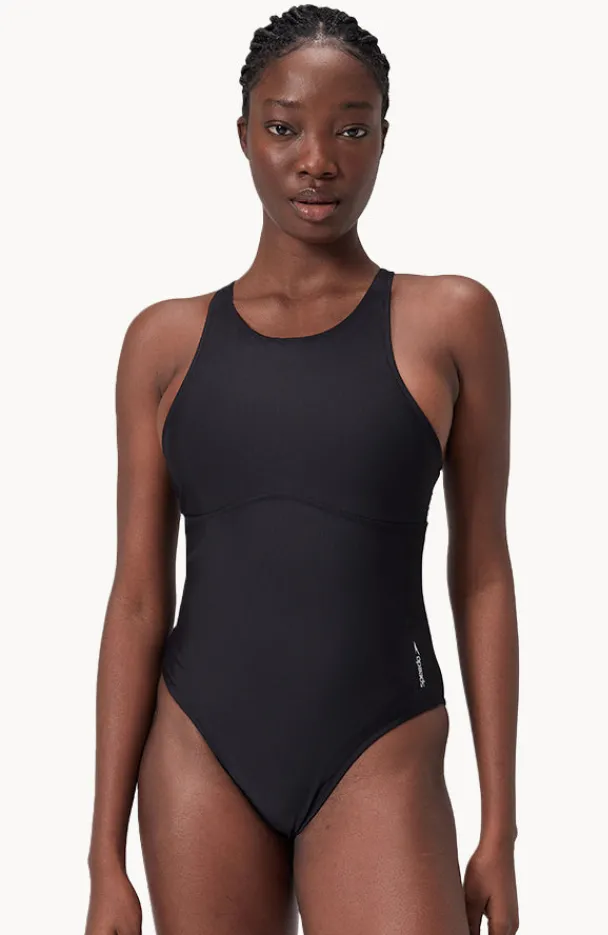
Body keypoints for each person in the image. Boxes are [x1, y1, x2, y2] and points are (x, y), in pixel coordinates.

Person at [85, 5, 519, 934]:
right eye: (285, 128)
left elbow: (482, 572)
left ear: (385, 136)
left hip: (381, 744)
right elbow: (138, 598)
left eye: (350, 130)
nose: (317, 160)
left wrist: (499, 828)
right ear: (244, 133)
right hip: (198, 748)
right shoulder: (163, 343)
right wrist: (103, 857)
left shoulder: (451, 320)